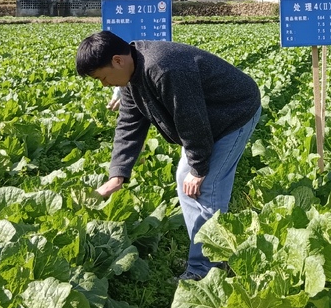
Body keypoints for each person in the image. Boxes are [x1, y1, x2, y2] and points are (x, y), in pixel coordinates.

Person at [76, 30, 261, 281]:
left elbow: (191, 119)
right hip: (206, 119)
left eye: (103, 77)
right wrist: (117, 175)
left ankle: (206, 272)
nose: (104, 85)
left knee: (207, 188)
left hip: (233, 112)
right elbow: (129, 124)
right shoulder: (131, 75)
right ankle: (202, 254)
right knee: (184, 179)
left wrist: (199, 169)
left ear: (118, 60)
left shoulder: (164, 68)